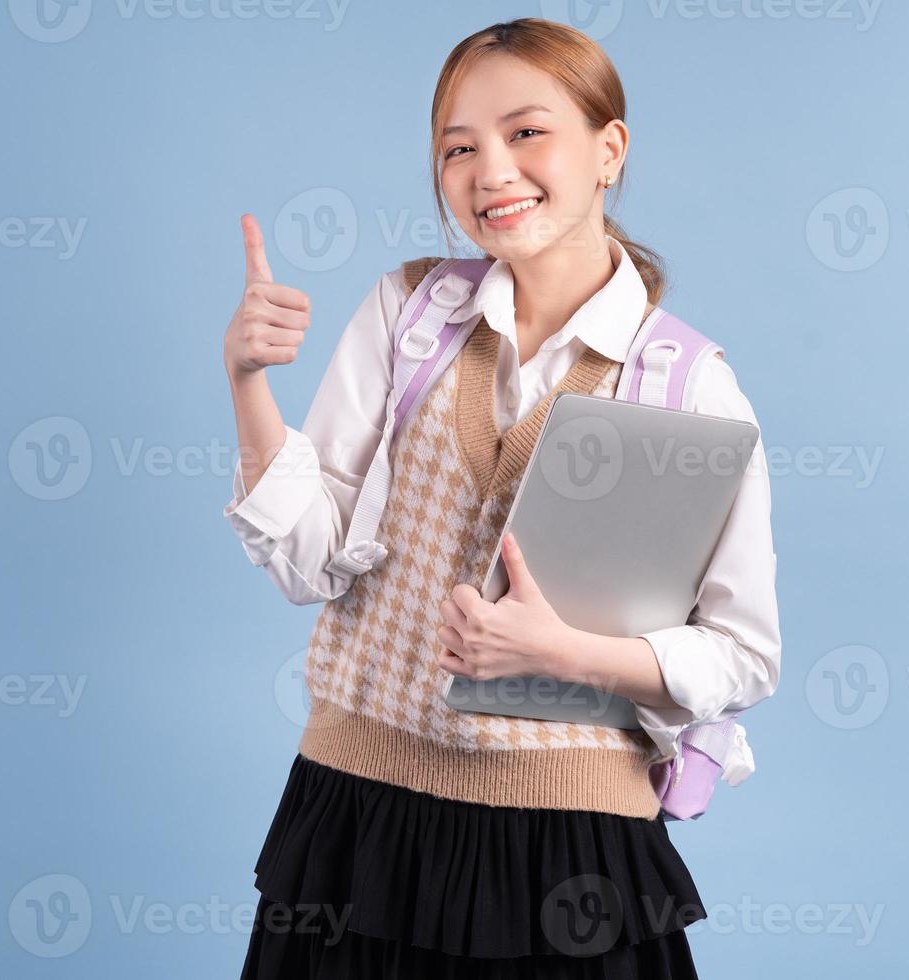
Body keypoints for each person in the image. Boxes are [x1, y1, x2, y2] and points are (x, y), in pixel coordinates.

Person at [221, 17, 781, 978]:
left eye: (527, 132)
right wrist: (248, 385)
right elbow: (308, 563)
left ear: (609, 150)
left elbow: (743, 655)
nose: (491, 170)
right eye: (458, 147)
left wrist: (566, 654)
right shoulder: (407, 313)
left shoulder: (686, 383)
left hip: (566, 845)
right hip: (358, 814)